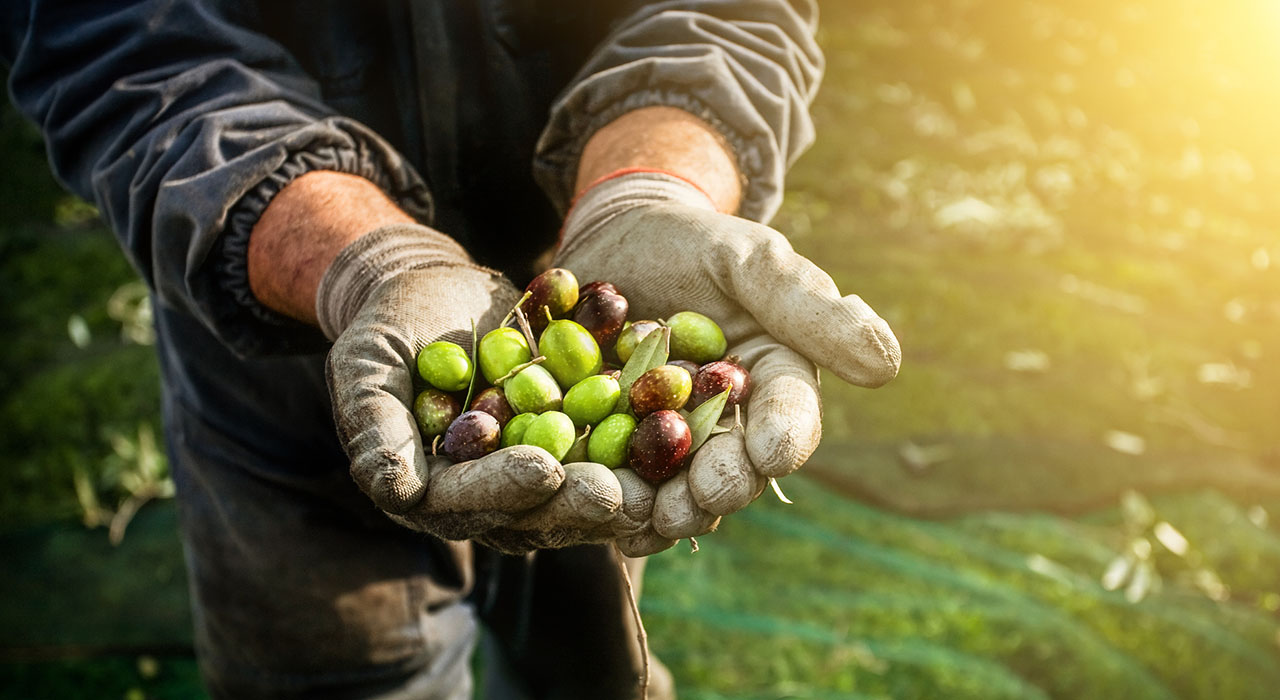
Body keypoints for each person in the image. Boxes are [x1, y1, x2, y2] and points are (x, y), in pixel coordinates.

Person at [2, 1, 899, 697]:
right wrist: (366, 263)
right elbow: (125, 50)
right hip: (271, 350)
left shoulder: (613, 364)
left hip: (584, 270)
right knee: (331, 682)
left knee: (592, 665)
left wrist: (650, 187)